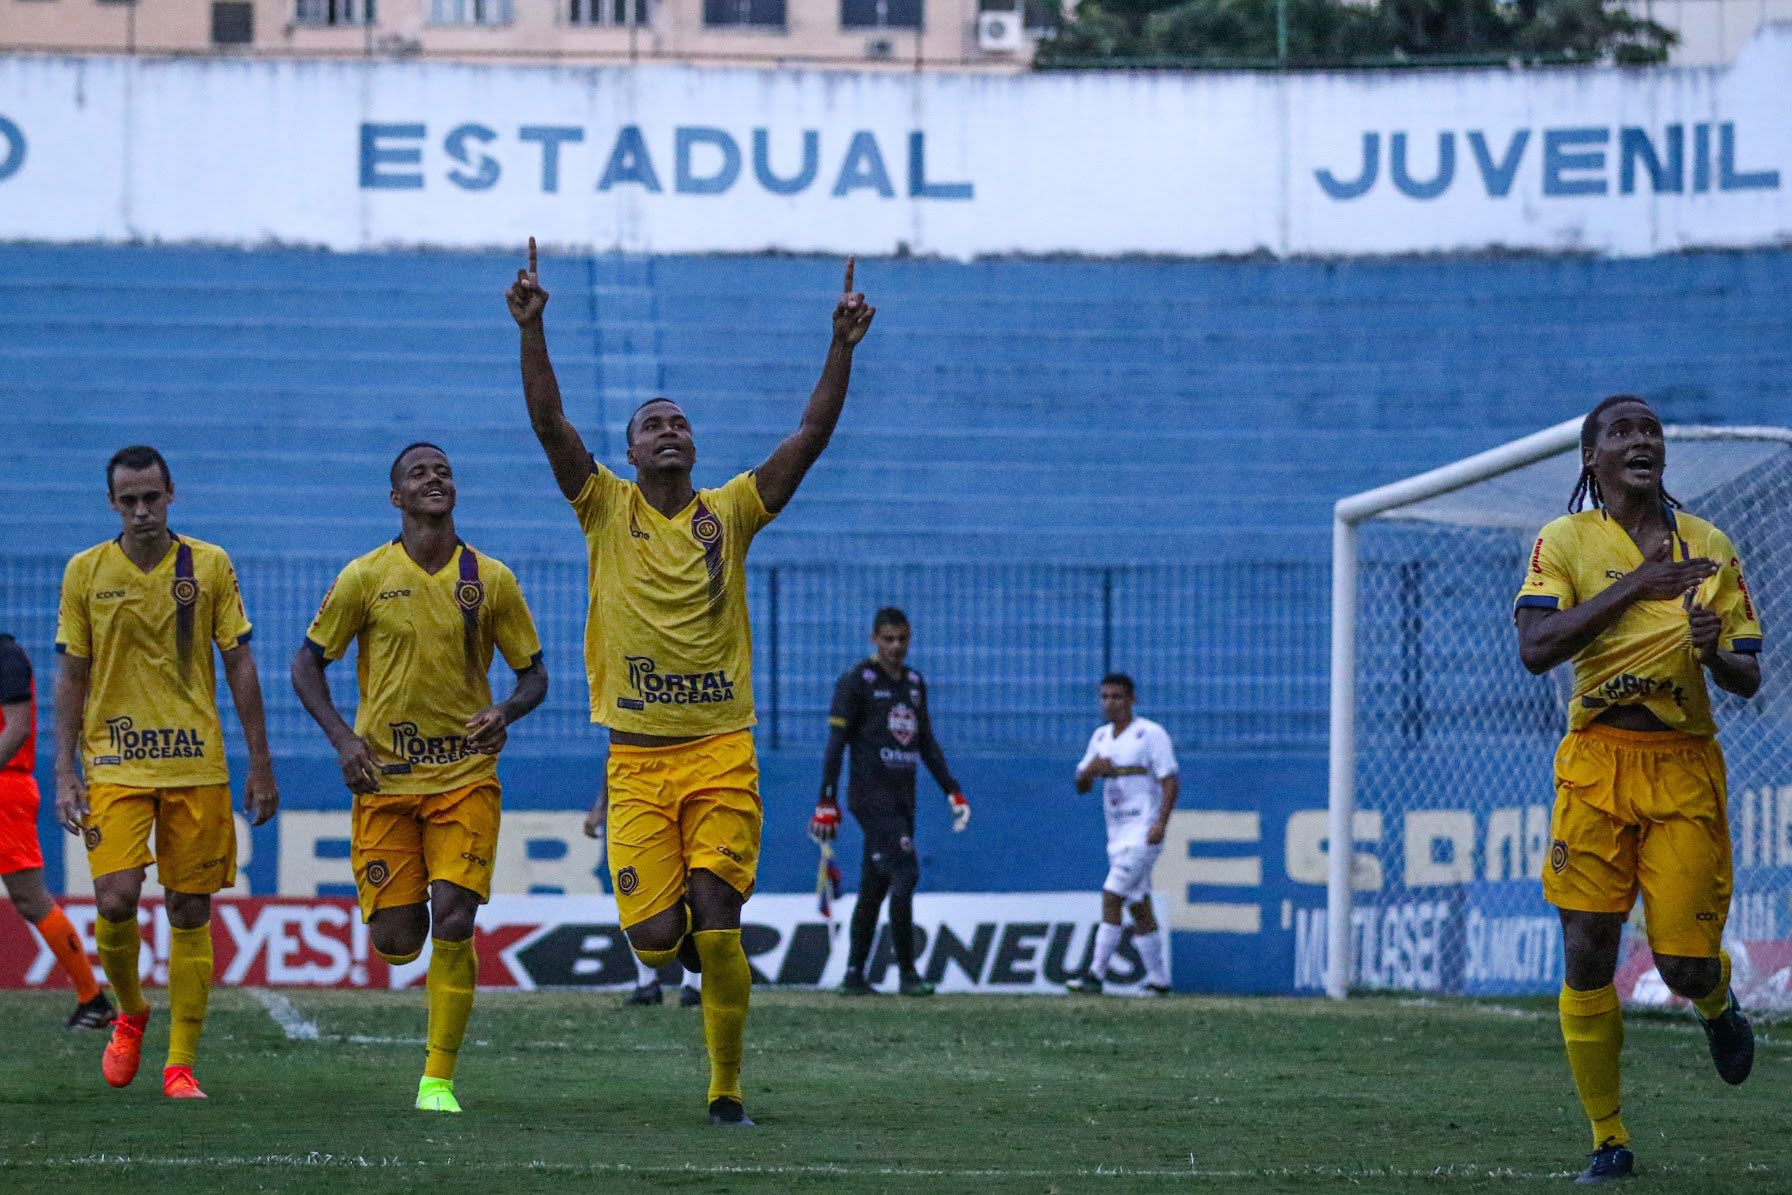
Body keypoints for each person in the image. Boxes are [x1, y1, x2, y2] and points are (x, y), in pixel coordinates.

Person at [508, 238, 874, 1126]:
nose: (669, 429)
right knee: (657, 938)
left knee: (717, 912)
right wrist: (533, 327)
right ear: (630, 452)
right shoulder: (603, 506)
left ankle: (727, 1088)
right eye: (652, 424)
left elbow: (812, 435)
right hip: (634, 763)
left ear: (693, 444)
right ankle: (694, 969)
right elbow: (552, 428)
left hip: (719, 752)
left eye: (679, 421)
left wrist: (841, 347)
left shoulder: (733, 510)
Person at [1513, 394, 1760, 1185]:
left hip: (1682, 765)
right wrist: (1640, 585)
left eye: (1650, 428)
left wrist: (1715, 654)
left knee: (1682, 967)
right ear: (1593, 457)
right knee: (1587, 950)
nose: (1640, 438)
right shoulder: (1564, 540)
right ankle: (1608, 1137)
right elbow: (1536, 647)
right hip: (1594, 762)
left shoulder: (1712, 545)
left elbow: (1748, 676)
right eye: (1621, 430)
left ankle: (1716, 999)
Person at [292, 443, 547, 1114]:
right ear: (396, 498)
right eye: (418, 473)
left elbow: (534, 674)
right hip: (385, 782)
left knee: (455, 915)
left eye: (443, 470)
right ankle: (403, 943)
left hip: (464, 778)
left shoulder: (491, 580)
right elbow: (306, 665)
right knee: (398, 940)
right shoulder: (364, 577)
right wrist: (344, 739)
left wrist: (506, 709)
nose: (434, 477)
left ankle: (438, 1080)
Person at [53, 445, 279, 1099]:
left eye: (152, 497)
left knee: (189, 909)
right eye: (129, 500)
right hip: (116, 762)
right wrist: (64, 769)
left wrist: (259, 762)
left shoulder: (208, 566)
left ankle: (179, 1063)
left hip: (196, 763)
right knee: (115, 898)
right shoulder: (85, 571)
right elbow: (71, 674)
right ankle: (129, 1009)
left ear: (171, 492)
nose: (143, 510)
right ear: (112, 503)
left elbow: (239, 662)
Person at [809, 607, 969, 996]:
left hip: (903, 799)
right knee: (906, 872)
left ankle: (853, 975)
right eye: (888, 639)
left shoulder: (914, 683)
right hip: (870, 798)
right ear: (874, 639)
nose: (896, 647)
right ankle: (908, 973)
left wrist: (952, 789)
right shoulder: (857, 682)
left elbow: (925, 741)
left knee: (874, 886)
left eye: (902, 639)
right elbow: (836, 745)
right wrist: (826, 798)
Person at [0, 632, 111, 1028]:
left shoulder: (6, 654)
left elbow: (17, 730)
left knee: (31, 900)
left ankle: (93, 998)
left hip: (5, 788)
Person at [1067, 673, 1177, 996]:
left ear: (1132, 700)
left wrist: (1160, 823)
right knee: (1138, 904)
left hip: (1143, 833)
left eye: (1117, 697)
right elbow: (1081, 785)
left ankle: (1095, 975)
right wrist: (1090, 771)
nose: (1110, 703)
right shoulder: (1100, 738)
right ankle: (1159, 980)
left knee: (1112, 895)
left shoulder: (1150, 734)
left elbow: (1170, 780)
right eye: (1105, 697)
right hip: (1117, 834)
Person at [584, 781, 701, 1006]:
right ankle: (648, 982)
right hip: (643, 804)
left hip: (688, 796)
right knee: (636, 896)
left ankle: (692, 983)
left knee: (692, 888)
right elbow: (617, 753)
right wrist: (600, 807)